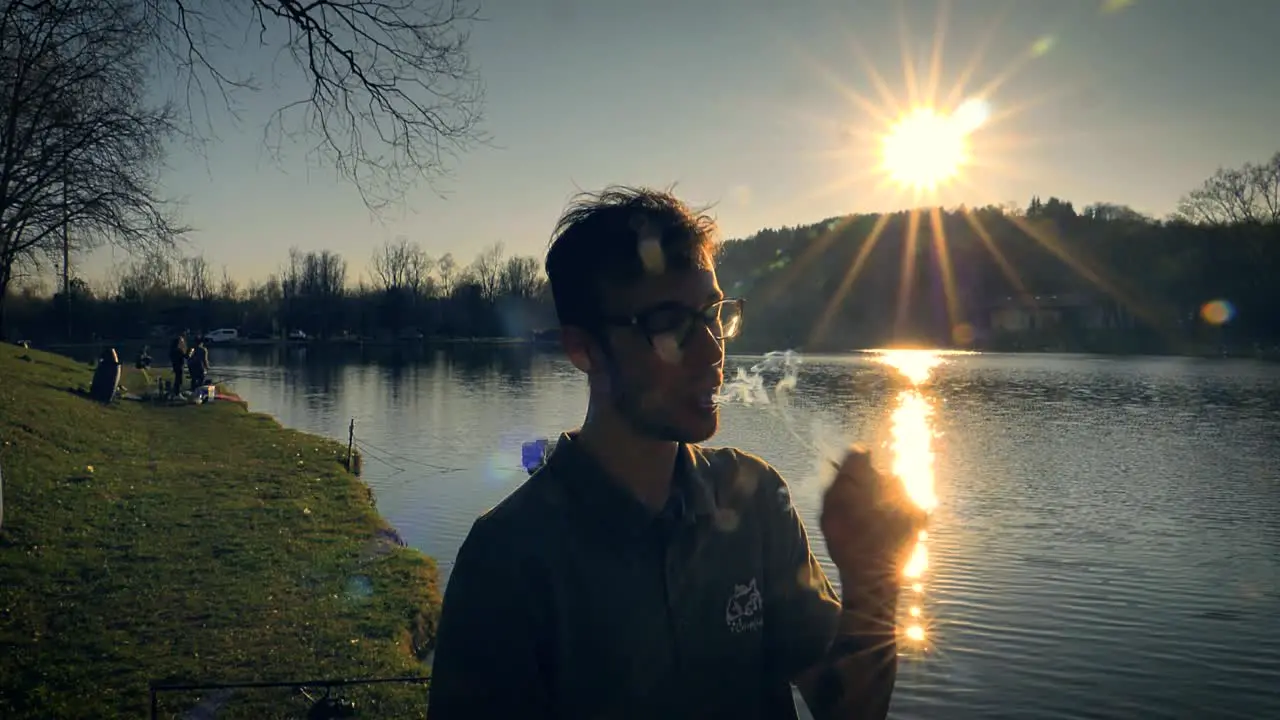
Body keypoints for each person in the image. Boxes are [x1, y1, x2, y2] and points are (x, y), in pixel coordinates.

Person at [428, 187, 924, 719]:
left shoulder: (754, 497)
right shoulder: (508, 558)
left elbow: (846, 707)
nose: (712, 350)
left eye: (713, 314)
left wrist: (873, 575)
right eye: (668, 325)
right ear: (583, 349)